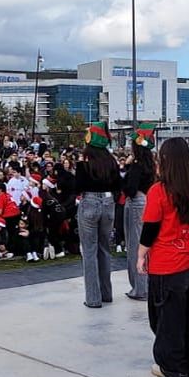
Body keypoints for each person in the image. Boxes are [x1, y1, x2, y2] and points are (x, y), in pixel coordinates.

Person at [137, 137, 189, 377]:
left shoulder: (160, 191)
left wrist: (141, 254)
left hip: (168, 263)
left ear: (164, 161)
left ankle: (172, 365)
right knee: (188, 316)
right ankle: (188, 362)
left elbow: (150, 228)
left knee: (166, 319)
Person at [75, 125, 122, 308]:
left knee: (89, 251)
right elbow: (118, 183)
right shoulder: (112, 162)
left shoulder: (84, 163)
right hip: (108, 203)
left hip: (90, 202)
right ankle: (106, 293)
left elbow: (78, 186)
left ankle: (93, 298)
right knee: (104, 248)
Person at [121, 137, 156, 302]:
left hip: (135, 203)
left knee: (135, 245)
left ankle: (139, 288)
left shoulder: (137, 166)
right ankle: (146, 285)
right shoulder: (151, 165)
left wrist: (126, 169)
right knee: (145, 244)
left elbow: (130, 189)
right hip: (147, 200)